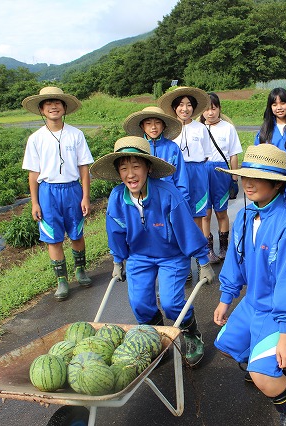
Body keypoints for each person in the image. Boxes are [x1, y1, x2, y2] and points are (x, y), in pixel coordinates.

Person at [213, 144, 286, 426]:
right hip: (255, 300)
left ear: (277, 183)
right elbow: (235, 260)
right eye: (245, 176)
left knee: (262, 376)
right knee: (226, 342)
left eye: (256, 177)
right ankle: (270, 366)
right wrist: (226, 297)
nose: (248, 183)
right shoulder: (246, 216)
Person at [90, 136, 215, 366]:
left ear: (148, 167)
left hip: (172, 255)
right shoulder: (118, 197)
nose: (130, 174)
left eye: (136, 166)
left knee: (171, 303)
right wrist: (118, 261)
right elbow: (115, 231)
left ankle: (191, 333)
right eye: (124, 168)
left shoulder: (168, 194)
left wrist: (203, 260)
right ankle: (156, 334)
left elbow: (187, 229)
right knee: (139, 303)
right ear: (118, 172)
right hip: (139, 256)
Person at [21, 86, 94, 301]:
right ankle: (61, 280)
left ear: (64, 108)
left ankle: (80, 270)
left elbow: (83, 168)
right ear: (42, 110)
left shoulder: (76, 134)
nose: (53, 106)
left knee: (77, 233)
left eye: (57, 103)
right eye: (48, 104)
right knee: (53, 239)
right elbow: (33, 174)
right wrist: (35, 203)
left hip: (72, 189)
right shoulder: (36, 138)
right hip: (48, 192)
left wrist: (85, 196)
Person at [158, 86, 212, 283]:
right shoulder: (167, 131)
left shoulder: (201, 128)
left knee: (197, 218)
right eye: (180, 105)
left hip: (197, 173)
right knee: (176, 219)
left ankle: (201, 260)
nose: (185, 109)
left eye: (189, 105)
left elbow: (205, 154)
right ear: (174, 108)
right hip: (174, 175)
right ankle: (184, 265)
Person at [199, 92, 243, 263]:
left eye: (213, 108)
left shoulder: (228, 128)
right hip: (203, 171)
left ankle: (224, 248)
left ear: (219, 109)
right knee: (205, 213)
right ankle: (207, 249)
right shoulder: (199, 129)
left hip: (221, 171)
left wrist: (234, 177)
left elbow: (233, 155)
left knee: (221, 211)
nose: (210, 113)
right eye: (206, 109)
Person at [122, 106, 189, 203]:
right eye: (148, 123)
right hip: (143, 199)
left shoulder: (172, 148)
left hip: (169, 198)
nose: (153, 127)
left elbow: (181, 177)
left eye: (157, 123)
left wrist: (183, 200)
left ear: (164, 126)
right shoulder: (136, 148)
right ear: (142, 126)